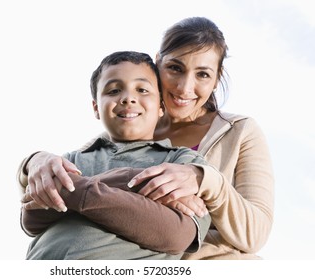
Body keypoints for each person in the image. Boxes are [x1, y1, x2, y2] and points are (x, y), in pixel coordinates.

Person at [18, 17, 274, 260]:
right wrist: (33, 162)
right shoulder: (123, 131)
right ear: (158, 63)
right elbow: (41, 200)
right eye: (175, 68)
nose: (185, 87)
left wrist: (205, 180)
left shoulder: (240, 132)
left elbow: (255, 234)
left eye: (203, 74)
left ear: (216, 79)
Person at [20, 51, 211, 260]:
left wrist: (73, 189)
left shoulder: (182, 163)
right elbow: (30, 217)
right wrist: (128, 181)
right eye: (114, 90)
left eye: (142, 89)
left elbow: (178, 235)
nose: (128, 98)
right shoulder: (71, 160)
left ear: (161, 107)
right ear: (96, 108)